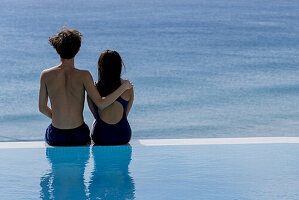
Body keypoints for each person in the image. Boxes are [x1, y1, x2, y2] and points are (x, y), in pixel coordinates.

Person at [38, 29, 133, 146]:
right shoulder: (84, 75)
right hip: (79, 135)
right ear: (78, 50)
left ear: (57, 50)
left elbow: (42, 108)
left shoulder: (46, 75)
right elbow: (101, 103)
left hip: (57, 135)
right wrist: (123, 87)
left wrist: (58, 118)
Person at [87, 50, 134, 145]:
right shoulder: (128, 88)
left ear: (100, 67)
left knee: (96, 121)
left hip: (101, 136)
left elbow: (96, 115)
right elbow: (125, 115)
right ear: (119, 66)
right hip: (122, 135)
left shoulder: (93, 89)